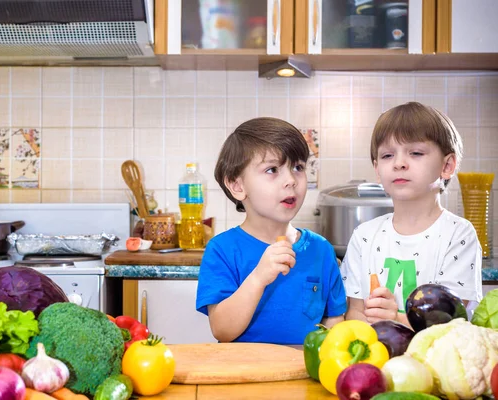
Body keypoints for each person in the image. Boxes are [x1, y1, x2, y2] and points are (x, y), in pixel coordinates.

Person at [196, 117, 346, 345]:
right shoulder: (222, 250)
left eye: (298, 167)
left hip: (304, 376)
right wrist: (258, 278)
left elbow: (334, 321)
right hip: (242, 375)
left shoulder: (321, 250)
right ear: (237, 186)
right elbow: (222, 330)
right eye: (272, 169)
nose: (290, 180)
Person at [341, 102, 483, 327]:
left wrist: (393, 319)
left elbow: (451, 322)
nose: (398, 163)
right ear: (378, 170)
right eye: (388, 156)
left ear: (447, 165)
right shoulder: (364, 236)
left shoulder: (458, 234)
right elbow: (355, 313)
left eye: (416, 153)